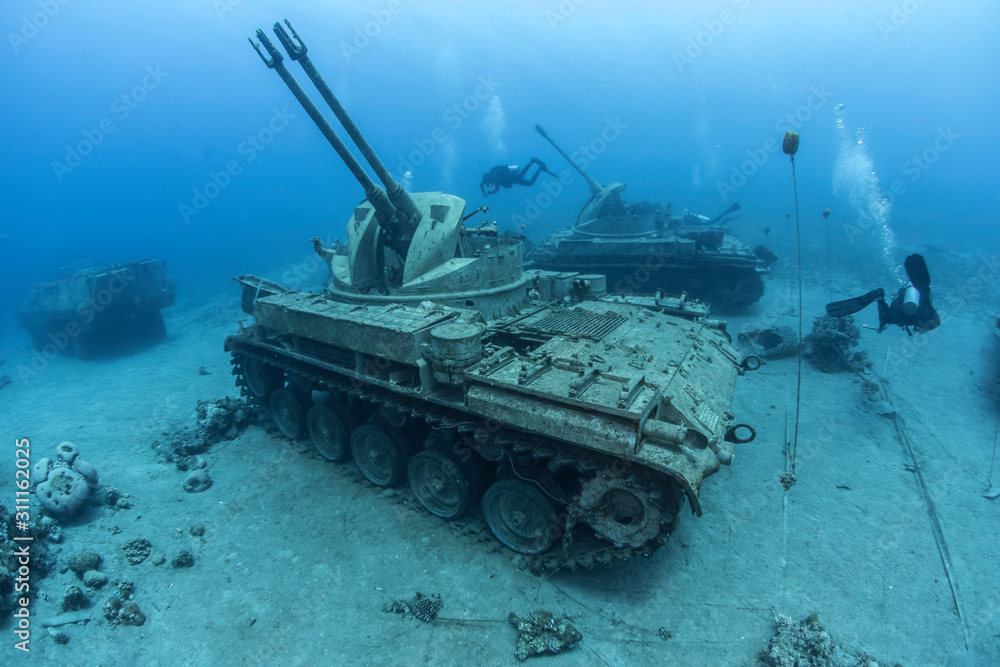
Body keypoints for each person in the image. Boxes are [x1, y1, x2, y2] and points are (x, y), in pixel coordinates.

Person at [825, 254, 940, 335]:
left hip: (907, 313)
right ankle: (879, 297)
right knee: (886, 318)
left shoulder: (922, 300)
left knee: (888, 317)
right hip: (907, 317)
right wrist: (923, 328)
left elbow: (935, 320)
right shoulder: (925, 307)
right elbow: (935, 321)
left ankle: (880, 297)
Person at [479, 158, 556, 196]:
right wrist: (488, 192)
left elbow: (481, 184)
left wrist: (484, 192)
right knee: (530, 183)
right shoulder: (494, 179)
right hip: (512, 180)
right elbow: (496, 190)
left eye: (487, 183)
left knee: (522, 176)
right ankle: (539, 169)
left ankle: (532, 161)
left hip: (511, 177)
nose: (488, 184)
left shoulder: (491, 176)